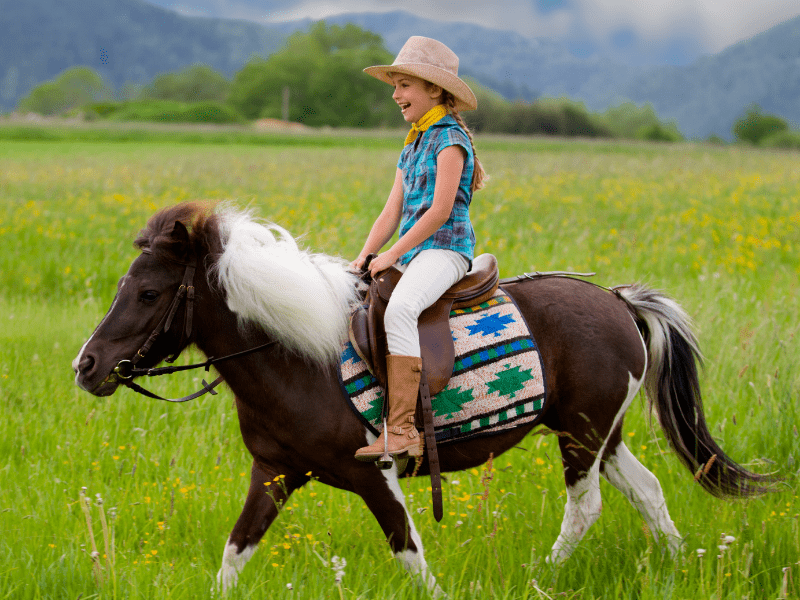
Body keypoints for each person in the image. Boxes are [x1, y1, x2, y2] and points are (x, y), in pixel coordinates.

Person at [351, 36, 486, 461]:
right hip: (414, 252)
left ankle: (404, 429)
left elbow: (440, 212)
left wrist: (391, 255)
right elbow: (391, 211)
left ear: (435, 90)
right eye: (394, 85)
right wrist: (365, 253)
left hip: (445, 250)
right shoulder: (412, 142)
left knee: (403, 308)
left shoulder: (449, 140)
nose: (396, 94)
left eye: (404, 84)